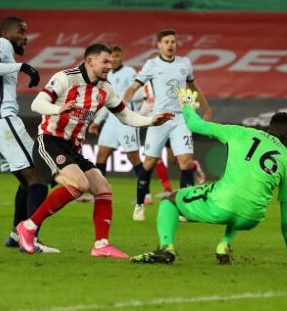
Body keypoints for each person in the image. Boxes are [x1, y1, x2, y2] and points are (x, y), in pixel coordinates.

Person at [129, 88, 287, 267]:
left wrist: (186, 107)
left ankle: (166, 249)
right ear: (285, 133)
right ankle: (224, 245)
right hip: (252, 218)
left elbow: (195, 124)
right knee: (239, 204)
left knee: (169, 201)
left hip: (222, 206)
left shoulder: (239, 132)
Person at [15, 43, 174, 258]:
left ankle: (101, 244)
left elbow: (125, 115)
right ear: (90, 62)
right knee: (80, 184)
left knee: (103, 188)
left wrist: (151, 121)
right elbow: (37, 104)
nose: (110, 65)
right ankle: (29, 226)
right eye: (105, 62)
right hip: (50, 141)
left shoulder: (105, 89)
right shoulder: (65, 78)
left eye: (111, 61)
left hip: (73, 148)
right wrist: (57, 109)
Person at [0, 16, 59, 253]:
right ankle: (30, 239)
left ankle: (15, 234)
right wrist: (22, 67)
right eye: (21, 31)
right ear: (7, 32)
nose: (26, 36)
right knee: (39, 177)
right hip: (3, 121)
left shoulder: (5, 55)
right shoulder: (1, 44)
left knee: (25, 181)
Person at [122, 30, 211, 221]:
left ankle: (184, 208)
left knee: (185, 162)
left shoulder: (184, 63)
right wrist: (122, 107)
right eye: (167, 42)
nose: (171, 44)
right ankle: (139, 205)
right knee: (149, 163)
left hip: (181, 118)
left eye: (173, 41)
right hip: (159, 119)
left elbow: (194, 87)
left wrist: (207, 109)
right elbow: (133, 87)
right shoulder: (152, 65)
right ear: (159, 45)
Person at [83, 45, 148, 203]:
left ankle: (146, 194)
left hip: (125, 120)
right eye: (113, 57)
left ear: (122, 57)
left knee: (133, 158)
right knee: (101, 156)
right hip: (111, 122)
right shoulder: (107, 75)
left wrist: (125, 99)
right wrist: (97, 122)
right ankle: (97, 193)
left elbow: (141, 93)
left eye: (118, 56)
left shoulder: (130, 72)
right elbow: (107, 102)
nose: (115, 59)